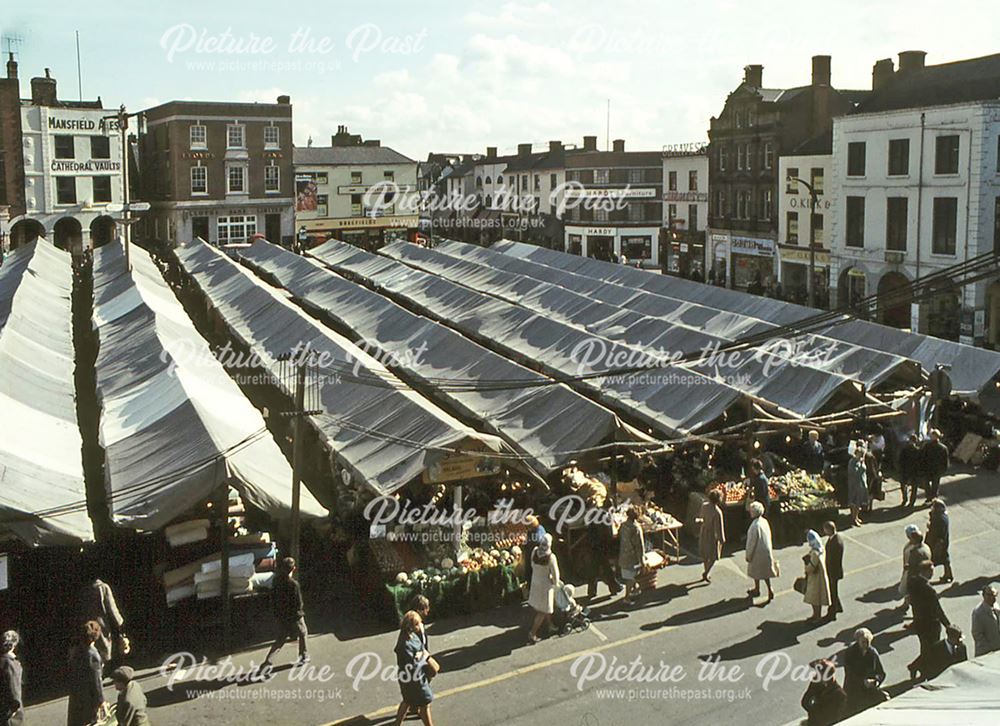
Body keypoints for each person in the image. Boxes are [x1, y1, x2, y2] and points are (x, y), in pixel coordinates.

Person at [262, 557, 309, 669]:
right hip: (294, 616)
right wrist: (300, 612)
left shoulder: (276, 581)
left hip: (281, 615)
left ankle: (268, 662)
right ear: (293, 569)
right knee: (303, 633)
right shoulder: (294, 584)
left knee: (280, 639)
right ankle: (303, 655)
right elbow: (298, 602)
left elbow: (273, 598)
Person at [908, 560, 952, 678]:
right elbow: (937, 609)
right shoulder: (929, 589)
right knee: (931, 649)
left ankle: (919, 667)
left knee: (926, 648)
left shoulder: (913, 582)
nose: (932, 573)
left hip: (919, 622)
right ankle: (919, 667)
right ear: (925, 571)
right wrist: (947, 624)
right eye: (931, 570)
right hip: (931, 624)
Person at [393, 611, 435, 726]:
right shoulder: (405, 645)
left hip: (409, 679)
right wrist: (423, 657)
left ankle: (397, 724)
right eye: (417, 624)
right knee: (425, 704)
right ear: (410, 626)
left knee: (407, 700)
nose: (420, 625)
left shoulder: (411, 635)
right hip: (415, 680)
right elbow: (411, 666)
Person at [67, 621, 108, 726]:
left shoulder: (76, 652)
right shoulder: (93, 655)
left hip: (76, 696)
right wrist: (101, 700)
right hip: (88, 699)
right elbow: (96, 681)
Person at [79, 574, 125, 664]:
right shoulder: (103, 587)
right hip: (101, 624)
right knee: (103, 651)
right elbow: (111, 607)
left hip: (88, 626)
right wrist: (119, 623)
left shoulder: (84, 590)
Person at [841, 627, 888, 714]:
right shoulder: (850, 653)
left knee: (885, 698)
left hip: (869, 688)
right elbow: (849, 674)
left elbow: (881, 672)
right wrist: (863, 681)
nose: (866, 644)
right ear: (857, 641)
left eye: (868, 642)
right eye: (863, 642)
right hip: (854, 688)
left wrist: (876, 681)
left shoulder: (872, 653)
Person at [584, 505, 622, 600]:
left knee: (595, 568)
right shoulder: (606, 516)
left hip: (594, 545)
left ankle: (592, 591)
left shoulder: (593, 515)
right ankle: (614, 587)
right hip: (603, 545)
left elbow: (589, 530)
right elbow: (609, 534)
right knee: (606, 567)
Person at [528, 534, 560, 643]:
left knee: (544, 607)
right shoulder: (551, 557)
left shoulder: (535, 551)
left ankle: (550, 625)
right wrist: (554, 582)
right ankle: (532, 633)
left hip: (535, 583)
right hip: (545, 586)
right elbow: (556, 576)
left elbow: (532, 565)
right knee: (542, 610)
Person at [745, 501, 778, 603]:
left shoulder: (754, 526)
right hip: (766, 550)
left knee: (756, 572)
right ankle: (769, 589)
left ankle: (757, 589)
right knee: (765, 572)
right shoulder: (764, 522)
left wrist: (748, 554)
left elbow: (751, 542)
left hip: (757, 553)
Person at [800, 658, 846, 726]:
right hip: (813, 722)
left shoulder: (839, 694)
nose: (816, 675)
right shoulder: (816, 684)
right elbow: (805, 702)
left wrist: (814, 709)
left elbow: (833, 717)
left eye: (819, 673)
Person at [899, 525, 931, 608]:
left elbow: (912, 564)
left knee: (908, 590)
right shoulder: (926, 547)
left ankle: (907, 605)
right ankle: (906, 604)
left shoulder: (914, 551)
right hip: (922, 574)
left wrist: (908, 571)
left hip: (914, 574)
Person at [697, 490, 726, 583]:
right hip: (712, 536)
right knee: (714, 556)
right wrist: (722, 539)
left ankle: (706, 571)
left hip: (704, 532)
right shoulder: (718, 512)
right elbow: (719, 527)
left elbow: (701, 517)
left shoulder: (704, 506)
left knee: (705, 554)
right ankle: (707, 572)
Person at [618, 509, 645, 605]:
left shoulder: (623, 525)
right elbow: (639, 546)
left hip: (623, 554)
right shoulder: (636, 528)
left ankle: (635, 589)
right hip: (632, 557)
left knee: (627, 575)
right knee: (631, 577)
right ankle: (627, 597)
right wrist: (642, 560)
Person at [803, 530, 831, 623]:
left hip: (815, 579)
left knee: (814, 599)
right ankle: (816, 615)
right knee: (817, 598)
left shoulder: (815, 552)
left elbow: (811, 567)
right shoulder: (821, 548)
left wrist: (806, 566)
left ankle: (817, 616)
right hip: (820, 577)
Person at [926, 499, 953, 583]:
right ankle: (948, 574)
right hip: (943, 541)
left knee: (931, 560)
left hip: (937, 543)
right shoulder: (943, 516)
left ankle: (925, 577)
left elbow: (935, 531)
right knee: (945, 558)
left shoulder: (938, 519)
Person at [0, 631, 23, 726]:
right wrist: (15, 706)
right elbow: (14, 687)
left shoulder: (2, 661)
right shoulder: (10, 663)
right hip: (9, 712)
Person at [823, 521, 844, 620]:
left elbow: (834, 560)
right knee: (834, 591)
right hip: (833, 571)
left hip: (833, 572)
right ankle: (838, 606)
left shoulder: (836, 542)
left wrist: (830, 573)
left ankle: (832, 613)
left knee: (833, 592)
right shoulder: (834, 539)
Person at [921, 429, 949, 502]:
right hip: (937, 470)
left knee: (927, 484)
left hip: (928, 468)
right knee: (935, 485)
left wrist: (922, 467)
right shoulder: (943, 448)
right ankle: (934, 497)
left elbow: (922, 457)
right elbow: (945, 461)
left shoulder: (927, 446)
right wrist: (943, 470)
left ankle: (929, 497)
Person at [971, 584, 1000, 657]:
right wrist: (989, 649)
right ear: (983, 595)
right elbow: (977, 634)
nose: (992, 597)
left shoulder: (996, 606)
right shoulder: (978, 612)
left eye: (994, 595)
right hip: (986, 653)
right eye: (989, 595)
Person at [847, 443, 868, 527]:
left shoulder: (860, 461)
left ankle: (856, 516)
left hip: (861, 484)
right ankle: (854, 518)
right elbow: (854, 472)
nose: (860, 456)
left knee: (859, 503)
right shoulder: (852, 462)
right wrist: (861, 466)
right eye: (859, 454)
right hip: (854, 485)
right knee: (854, 503)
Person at [898, 434, 921, 507]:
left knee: (903, 485)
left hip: (905, 470)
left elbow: (900, 460)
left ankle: (905, 499)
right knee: (914, 487)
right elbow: (920, 462)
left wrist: (900, 469)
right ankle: (912, 502)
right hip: (914, 471)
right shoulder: (918, 450)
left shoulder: (904, 449)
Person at [863, 440, 883, 510]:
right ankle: (869, 507)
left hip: (865, 475)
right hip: (871, 476)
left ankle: (866, 507)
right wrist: (876, 476)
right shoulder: (870, 456)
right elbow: (872, 467)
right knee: (870, 492)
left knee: (867, 491)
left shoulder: (864, 455)